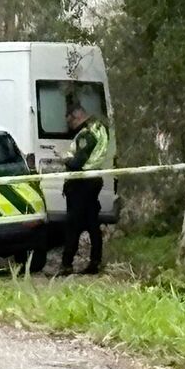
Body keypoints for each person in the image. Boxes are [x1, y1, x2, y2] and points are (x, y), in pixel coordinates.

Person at [58, 103, 110, 275]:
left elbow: (76, 163)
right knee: (92, 223)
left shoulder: (87, 134)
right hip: (94, 180)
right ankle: (95, 262)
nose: (70, 126)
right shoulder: (100, 128)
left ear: (77, 115)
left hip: (81, 182)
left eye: (70, 122)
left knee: (72, 224)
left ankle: (66, 265)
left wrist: (64, 158)